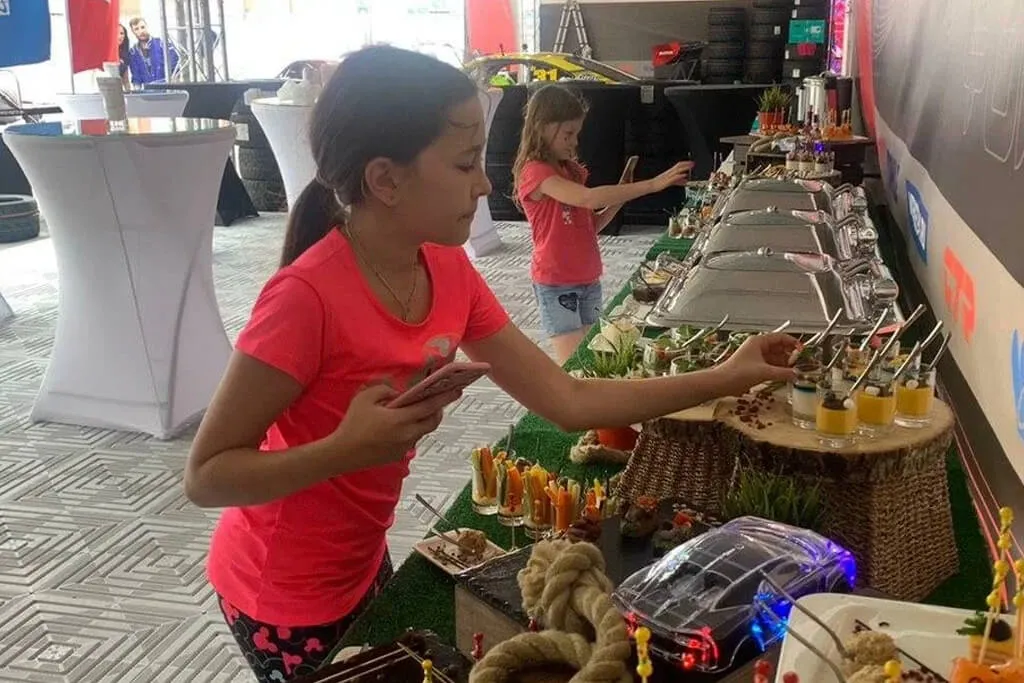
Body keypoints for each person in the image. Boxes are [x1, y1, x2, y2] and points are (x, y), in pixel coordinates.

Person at [184, 45, 799, 683]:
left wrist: (730, 375)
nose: (483, 184)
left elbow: (567, 400)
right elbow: (205, 476)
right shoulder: (304, 298)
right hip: (280, 591)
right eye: (464, 163)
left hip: (361, 561)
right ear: (386, 180)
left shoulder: (447, 269)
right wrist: (345, 449)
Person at [513, 84, 693, 364]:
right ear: (542, 127)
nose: (574, 142)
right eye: (568, 134)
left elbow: (592, 225)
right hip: (557, 283)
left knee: (595, 357)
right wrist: (653, 184)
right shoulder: (535, 172)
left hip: (588, 279)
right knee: (576, 364)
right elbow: (588, 199)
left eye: (577, 134)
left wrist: (622, 194)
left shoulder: (568, 170)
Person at [127, 16, 179, 86]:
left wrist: (173, 85)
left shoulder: (162, 44)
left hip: (166, 88)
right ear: (133, 32)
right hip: (147, 91)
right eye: (136, 29)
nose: (141, 31)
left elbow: (175, 66)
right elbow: (136, 78)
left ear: (147, 27)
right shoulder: (133, 52)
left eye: (142, 27)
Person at [117, 24, 131, 90]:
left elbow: (126, 82)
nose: (119, 36)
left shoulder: (124, 57)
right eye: (116, 33)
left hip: (118, 92)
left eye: (122, 33)